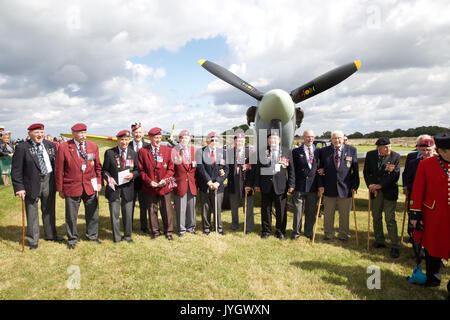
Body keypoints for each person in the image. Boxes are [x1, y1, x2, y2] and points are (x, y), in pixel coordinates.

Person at [409, 132, 450, 298]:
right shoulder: (426, 165)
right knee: (432, 248)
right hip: (435, 215)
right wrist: (415, 215)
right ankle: (433, 278)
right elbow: (418, 191)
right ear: (440, 150)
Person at [11, 123, 62, 249]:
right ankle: (33, 240)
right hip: (31, 182)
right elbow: (16, 170)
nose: (40, 135)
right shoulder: (22, 147)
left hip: (49, 180)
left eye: (41, 132)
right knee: (32, 212)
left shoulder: (50, 145)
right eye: (36, 132)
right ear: (30, 134)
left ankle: (51, 235)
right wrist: (19, 187)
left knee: (49, 209)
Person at [55, 123, 102, 249]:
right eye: (80, 133)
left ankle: (92, 235)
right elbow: (59, 169)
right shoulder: (64, 147)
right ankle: (72, 238)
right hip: (71, 186)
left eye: (84, 132)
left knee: (92, 213)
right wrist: (60, 188)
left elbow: (98, 167)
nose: (83, 135)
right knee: (71, 215)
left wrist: (99, 182)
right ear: (73, 133)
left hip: (90, 186)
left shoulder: (93, 146)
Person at [252, 130, 295, 240]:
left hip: (281, 186)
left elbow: (291, 170)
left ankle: (280, 231)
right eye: (270, 138)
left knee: (281, 210)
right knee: (265, 210)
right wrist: (256, 184)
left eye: (275, 138)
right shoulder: (262, 151)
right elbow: (258, 169)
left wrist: (291, 184)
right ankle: (266, 230)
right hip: (266, 185)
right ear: (268, 140)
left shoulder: (287, 151)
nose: (273, 140)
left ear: (279, 140)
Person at [318, 130, 359, 241]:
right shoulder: (324, 151)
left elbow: (355, 171)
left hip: (345, 189)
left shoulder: (351, 150)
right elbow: (320, 170)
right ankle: (328, 234)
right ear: (331, 140)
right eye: (334, 138)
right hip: (329, 188)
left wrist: (355, 186)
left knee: (344, 215)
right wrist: (321, 185)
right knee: (328, 214)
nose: (337, 140)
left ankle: (343, 235)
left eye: (339, 138)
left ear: (343, 138)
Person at [363, 137, 401, 258]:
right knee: (376, 217)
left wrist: (380, 185)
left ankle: (394, 245)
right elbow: (366, 172)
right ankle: (379, 241)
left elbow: (394, 175)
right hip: (375, 192)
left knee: (390, 218)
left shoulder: (395, 156)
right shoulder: (370, 155)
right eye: (385, 147)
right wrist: (370, 185)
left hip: (389, 191)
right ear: (378, 147)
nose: (388, 149)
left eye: (389, 146)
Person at [102, 130, 139, 243]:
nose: (124, 142)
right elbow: (104, 170)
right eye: (122, 139)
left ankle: (128, 236)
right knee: (115, 214)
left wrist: (133, 175)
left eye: (127, 140)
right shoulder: (109, 153)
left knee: (128, 214)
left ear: (129, 140)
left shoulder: (133, 153)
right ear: (117, 140)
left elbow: (138, 170)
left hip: (128, 188)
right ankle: (116, 238)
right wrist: (109, 178)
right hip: (115, 188)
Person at [138, 127, 175, 240]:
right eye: (155, 138)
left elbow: (171, 169)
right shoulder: (143, 151)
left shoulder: (168, 150)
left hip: (164, 186)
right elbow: (141, 170)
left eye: (159, 137)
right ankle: (155, 231)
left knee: (166, 210)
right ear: (150, 138)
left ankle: (168, 232)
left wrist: (165, 180)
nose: (158, 140)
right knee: (152, 209)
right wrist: (150, 182)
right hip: (150, 187)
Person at [402, 138, 435, 259]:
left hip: (433, 202)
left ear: (434, 149)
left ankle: (434, 254)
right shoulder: (413, 164)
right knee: (415, 225)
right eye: (423, 150)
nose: (426, 152)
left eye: (428, 150)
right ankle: (418, 253)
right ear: (419, 149)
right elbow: (408, 179)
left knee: (432, 228)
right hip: (416, 199)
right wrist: (417, 187)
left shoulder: (439, 163)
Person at [196, 131, 229, 235]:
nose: (214, 142)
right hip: (205, 185)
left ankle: (218, 229)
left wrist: (218, 182)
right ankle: (206, 228)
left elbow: (226, 170)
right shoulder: (200, 152)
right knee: (206, 208)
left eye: (216, 140)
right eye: (212, 140)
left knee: (217, 208)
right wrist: (209, 182)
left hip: (218, 186)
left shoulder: (223, 153)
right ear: (207, 141)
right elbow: (200, 169)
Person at [291, 129, 320, 240]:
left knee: (311, 211)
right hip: (299, 186)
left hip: (313, 186)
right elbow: (292, 170)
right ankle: (296, 232)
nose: (310, 139)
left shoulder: (318, 151)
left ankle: (308, 231)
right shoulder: (296, 152)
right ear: (303, 138)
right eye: (308, 137)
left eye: (312, 137)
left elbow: (321, 167)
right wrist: (292, 184)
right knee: (298, 211)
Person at [227, 132, 255, 233]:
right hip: (233, 182)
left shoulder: (250, 152)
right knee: (234, 206)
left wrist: (250, 185)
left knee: (247, 207)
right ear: (234, 142)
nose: (239, 142)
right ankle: (235, 224)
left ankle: (249, 227)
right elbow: (226, 168)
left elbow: (253, 171)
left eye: (241, 141)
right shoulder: (229, 152)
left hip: (246, 183)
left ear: (244, 141)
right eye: (237, 141)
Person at [172, 130, 198, 236]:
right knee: (180, 208)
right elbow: (171, 169)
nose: (184, 140)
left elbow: (198, 168)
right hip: (180, 183)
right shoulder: (174, 151)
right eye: (182, 138)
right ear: (179, 139)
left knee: (191, 207)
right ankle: (181, 229)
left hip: (192, 183)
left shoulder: (194, 150)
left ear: (189, 139)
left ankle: (191, 228)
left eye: (186, 138)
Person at [128, 122, 150, 233]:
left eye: (140, 132)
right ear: (132, 133)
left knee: (143, 205)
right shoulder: (127, 145)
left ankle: (144, 226)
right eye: (135, 132)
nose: (138, 134)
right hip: (130, 180)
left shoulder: (147, 146)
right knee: (130, 205)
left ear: (143, 133)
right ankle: (129, 226)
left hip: (143, 181)